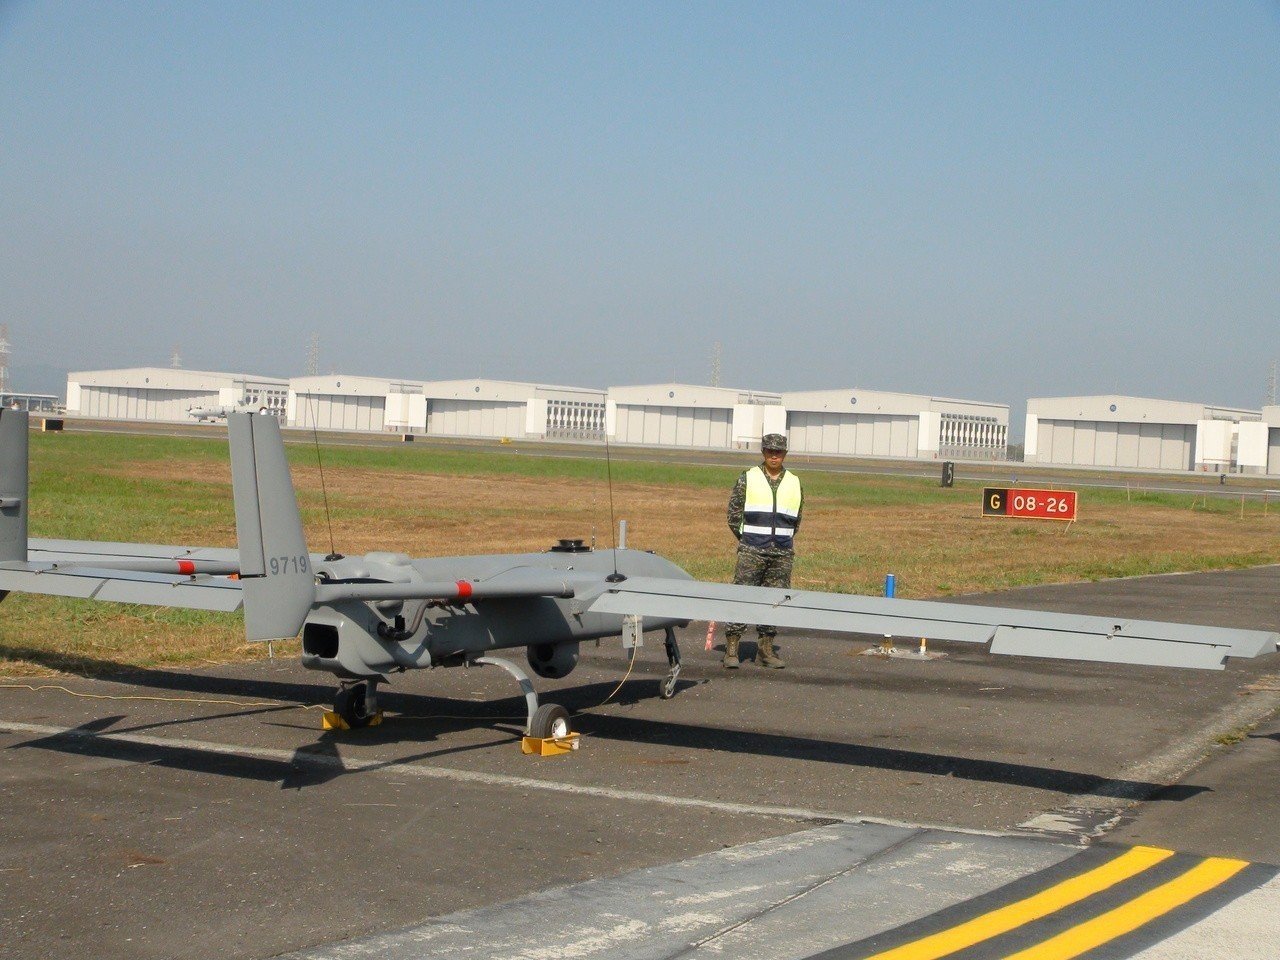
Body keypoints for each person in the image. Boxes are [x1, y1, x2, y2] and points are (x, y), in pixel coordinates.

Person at [723, 433, 803, 669]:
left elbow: (797, 519)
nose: (774, 455)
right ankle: (732, 648)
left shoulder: (794, 481)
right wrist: (748, 539)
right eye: (770, 451)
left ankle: (766, 650)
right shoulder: (748, 478)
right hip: (752, 550)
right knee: (742, 596)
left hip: (782, 553)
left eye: (778, 452)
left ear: (785, 454)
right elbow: (733, 515)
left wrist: (781, 540)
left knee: (775, 601)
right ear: (763, 453)